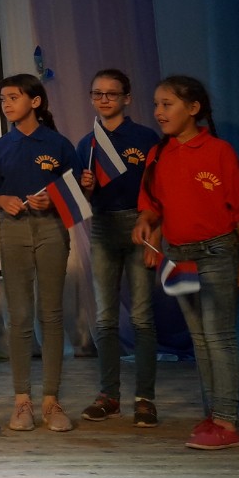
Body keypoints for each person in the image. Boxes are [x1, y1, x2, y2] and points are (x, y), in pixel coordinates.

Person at [132, 75, 239, 450]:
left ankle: (226, 421)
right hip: (179, 256)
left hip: (218, 253)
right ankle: (213, 415)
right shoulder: (158, 155)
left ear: (193, 108)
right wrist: (146, 224)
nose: (159, 112)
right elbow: (153, 206)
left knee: (219, 337)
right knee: (200, 339)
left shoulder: (219, 151)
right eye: (156, 104)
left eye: (167, 104)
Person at [0, 73, 79, 433]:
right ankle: (22, 401)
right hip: (13, 230)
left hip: (51, 228)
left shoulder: (57, 144)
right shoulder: (0, 147)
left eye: (13, 97)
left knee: (50, 314)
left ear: (35, 102)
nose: (6, 104)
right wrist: (1, 200)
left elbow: (78, 194)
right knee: (20, 315)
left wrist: (52, 199)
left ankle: (51, 401)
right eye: (3, 98)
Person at [74, 69, 162, 427]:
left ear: (127, 98)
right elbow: (81, 201)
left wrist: (155, 234)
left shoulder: (145, 137)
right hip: (103, 226)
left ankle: (145, 399)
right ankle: (109, 396)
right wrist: (86, 188)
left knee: (141, 317)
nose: (104, 99)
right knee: (105, 318)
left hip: (140, 224)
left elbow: (159, 190)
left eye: (112, 93)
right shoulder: (86, 144)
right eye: (97, 93)